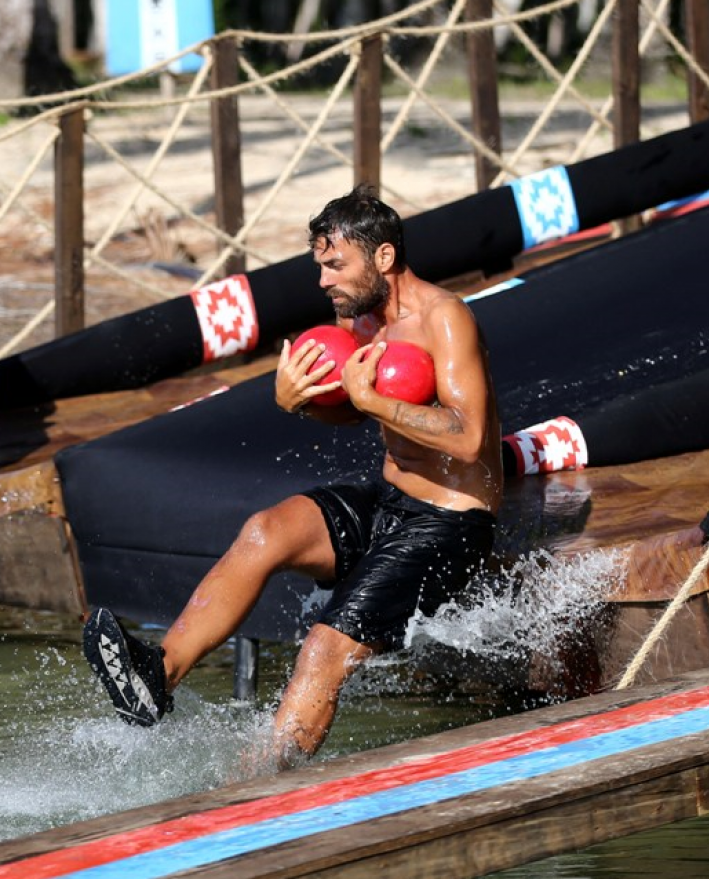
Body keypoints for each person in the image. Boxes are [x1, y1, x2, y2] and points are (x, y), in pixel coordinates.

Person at [83, 185, 504, 768]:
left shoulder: (445, 318)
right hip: (388, 499)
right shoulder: (364, 320)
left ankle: (267, 786)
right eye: (321, 267)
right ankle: (157, 676)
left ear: (383, 258)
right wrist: (299, 402)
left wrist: (373, 403)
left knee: (322, 650)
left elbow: (468, 436)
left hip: (450, 524)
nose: (324, 281)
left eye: (336, 266)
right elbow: (355, 404)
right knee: (265, 530)